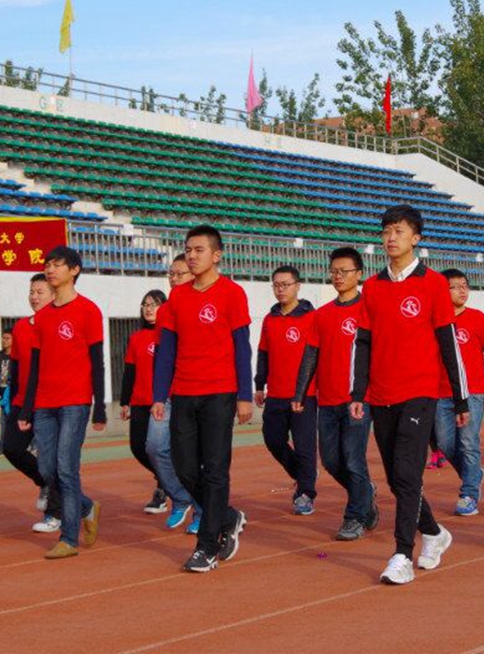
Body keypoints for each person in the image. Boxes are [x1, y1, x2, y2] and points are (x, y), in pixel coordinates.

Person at [351, 204, 470, 586]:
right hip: (381, 394)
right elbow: (363, 343)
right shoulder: (373, 287)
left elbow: (448, 343)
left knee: (407, 472)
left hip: (420, 392)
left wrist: (461, 398)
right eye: (386, 231)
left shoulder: (433, 283)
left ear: (415, 238)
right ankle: (433, 532)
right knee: (396, 479)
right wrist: (358, 391)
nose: (391, 237)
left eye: (399, 231)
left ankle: (402, 553)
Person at [153, 226, 252, 573]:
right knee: (183, 468)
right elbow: (167, 351)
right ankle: (226, 515)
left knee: (215, 470)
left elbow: (242, 347)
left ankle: (207, 546)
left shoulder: (232, 293)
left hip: (219, 394)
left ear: (216, 255)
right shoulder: (178, 297)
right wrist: (159, 395)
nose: (192, 256)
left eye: (199, 250)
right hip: (183, 393)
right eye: (188, 250)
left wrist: (244, 395)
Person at [19, 246, 106, 560]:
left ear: (74, 270)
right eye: (47, 265)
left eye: (57, 265)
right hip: (44, 403)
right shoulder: (42, 318)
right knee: (47, 469)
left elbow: (97, 362)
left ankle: (69, 539)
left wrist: (100, 405)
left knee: (67, 469)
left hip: (75, 402)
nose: (50, 269)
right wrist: (27, 408)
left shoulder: (88, 310)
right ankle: (86, 506)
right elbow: (34, 368)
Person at [294, 247, 378, 540]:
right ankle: (364, 493)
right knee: (331, 460)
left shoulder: (369, 309)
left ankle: (355, 517)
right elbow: (310, 355)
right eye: (334, 271)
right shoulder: (321, 314)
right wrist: (300, 393)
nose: (338, 276)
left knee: (353, 459)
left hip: (359, 400)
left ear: (359, 274)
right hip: (327, 400)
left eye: (344, 271)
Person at [255, 265, 318, 515]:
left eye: (285, 285)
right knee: (273, 440)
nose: (280, 289)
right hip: (276, 394)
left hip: (304, 395)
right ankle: (303, 475)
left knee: (304, 446)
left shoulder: (312, 317)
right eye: (276, 285)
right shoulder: (269, 319)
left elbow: (317, 356)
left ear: (298, 286)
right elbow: (263, 353)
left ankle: (306, 493)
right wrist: (259, 384)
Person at [3, 274, 63, 534]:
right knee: (11, 448)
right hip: (23, 402)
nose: (34, 297)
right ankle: (43, 482)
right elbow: (16, 367)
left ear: (53, 294)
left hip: (51, 401)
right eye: (32, 292)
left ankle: (54, 514)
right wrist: (13, 400)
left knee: (54, 460)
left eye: (40, 292)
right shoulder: (20, 327)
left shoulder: (59, 325)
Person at [149, 254, 201, 534]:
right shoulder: (165, 312)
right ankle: (180, 497)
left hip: (197, 390)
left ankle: (202, 510)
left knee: (196, 454)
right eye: (171, 274)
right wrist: (158, 395)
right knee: (155, 446)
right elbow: (161, 355)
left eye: (180, 274)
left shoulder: (202, 305)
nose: (174, 278)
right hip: (170, 393)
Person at [120, 290, 180, 518]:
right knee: (138, 447)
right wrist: (124, 401)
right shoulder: (136, 338)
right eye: (145, 304)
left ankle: (163, 488)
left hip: (163, 402)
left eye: (154, 304)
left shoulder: (170, 335)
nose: (148, 308)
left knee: (158, 447)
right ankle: (165, 477)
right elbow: (129, 371)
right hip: (139, 401)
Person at [434, 268, 484, 516]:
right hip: (441, 391)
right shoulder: (433, 322)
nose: (462, 290)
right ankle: (473, 474)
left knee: (468, 442)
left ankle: (469, 493)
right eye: (454, 287)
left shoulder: (477, 318)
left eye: (464, 285)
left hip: (473, 390)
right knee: (445, 443)